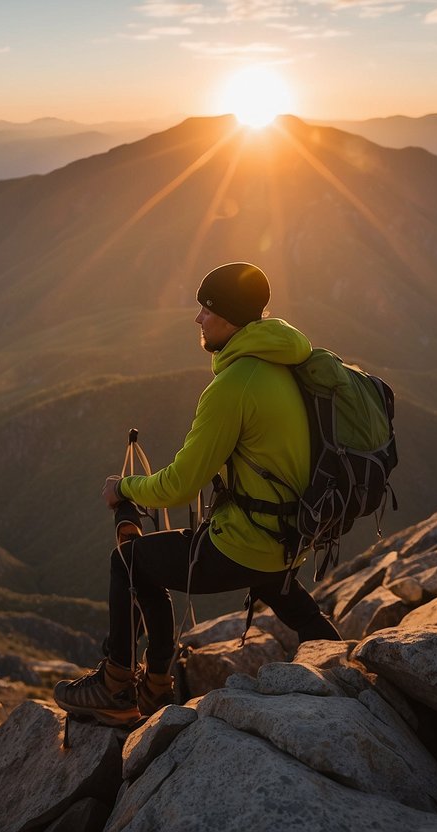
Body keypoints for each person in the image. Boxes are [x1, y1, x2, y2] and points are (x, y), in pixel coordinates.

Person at [53, 262, 341, 727]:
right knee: (288, 599)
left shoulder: (234, 384)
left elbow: (181, 485)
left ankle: (116, 685)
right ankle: (349, 667)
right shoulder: (284, 364)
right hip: (287, 535)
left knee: (129, 563)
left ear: (228, 317)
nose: (198, 319)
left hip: (248, 541)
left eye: (206, 309)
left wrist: (123, 487)